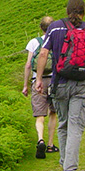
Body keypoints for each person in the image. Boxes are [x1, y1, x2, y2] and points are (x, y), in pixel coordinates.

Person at [35, 0, 85, 171]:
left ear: (67, 11)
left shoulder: (55, 28)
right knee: (76, 126)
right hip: (81, 84)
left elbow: (43, 54)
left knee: (64, 123)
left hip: (59, 83)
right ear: (84, 12)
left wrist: (39, 80)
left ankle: (65, 164)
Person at [22, 16, 59, 159]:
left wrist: (25, 85)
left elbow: (28, 65)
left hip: (38, 80)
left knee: (39, 114)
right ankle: (50, 145)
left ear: (40, 28)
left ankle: (40, 139)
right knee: (53, 112)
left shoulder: (33, 42)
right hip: (54, 80)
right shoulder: (57, 41)